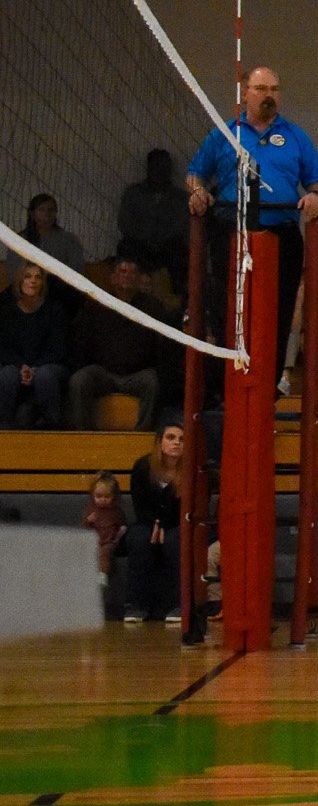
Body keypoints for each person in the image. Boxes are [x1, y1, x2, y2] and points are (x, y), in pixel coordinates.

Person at [185, 65, 318, 375]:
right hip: (231, 230)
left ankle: (270, 378)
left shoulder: (295, 136)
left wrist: (315, 197)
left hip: (281, 233)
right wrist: (198, 192)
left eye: (274, 90)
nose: (269, 96)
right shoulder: (224, 133)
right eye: (262, 89)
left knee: (279, 309)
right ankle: (226, 381)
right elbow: (195, 173)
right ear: (245, 93)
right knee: (228, 308)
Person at [68, 255, 172, 430]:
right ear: (113, 277)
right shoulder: (97, 304)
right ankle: (82, 434)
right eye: (122, 271)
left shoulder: (153, 308)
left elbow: (162, 347)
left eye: (133, 272)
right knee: (79, 379)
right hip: (103, 373)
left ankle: (142, 436)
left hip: (138, 375)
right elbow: (81, 341)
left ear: (139, 278)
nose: (127, 276)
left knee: (153, 381)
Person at [124, 422, 184, 622]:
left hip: (177, 523)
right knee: (139, 538)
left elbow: (187, 508)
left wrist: (164, 525)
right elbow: (139, 504)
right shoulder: (143, 466)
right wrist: (155, 524)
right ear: (159, 442)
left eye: (181, 439)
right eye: (171, 437)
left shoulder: (190, 470)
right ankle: (136, 605)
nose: (176, 442)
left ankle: (178, 605)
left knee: (175, 541)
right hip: (148, 520)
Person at [0, 262, 70, 428]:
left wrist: (34, 368)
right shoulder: (6, 312)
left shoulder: (55, 310)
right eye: (27, 276)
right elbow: (3, 348)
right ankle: (4, 429)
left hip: (48, 365)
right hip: (17, 366)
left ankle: (51, 427)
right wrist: (21, 366)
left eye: (37, 277)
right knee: (7, 374)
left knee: (44, 375)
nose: (33, 281)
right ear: (19, 282)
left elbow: (58, 348)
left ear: (42, 283)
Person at [117, 150, 189, 290]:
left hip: (168, 247)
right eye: (156, 166)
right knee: (125, 247)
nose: (160, 171)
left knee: (181, 253)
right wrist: (146, 238)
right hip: (140, 245)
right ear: (149, 167)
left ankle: (178, 297)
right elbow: (125, 223)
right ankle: (127, 293)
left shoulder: (179, 198)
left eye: (164, 167)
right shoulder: (133, 193)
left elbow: (182, 226)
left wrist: (161, 239)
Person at [12, 194, 86, 275]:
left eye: (51, 210)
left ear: (56, 213)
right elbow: (14, 272)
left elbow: (77, 271)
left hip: (61, 286)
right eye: (41, 210)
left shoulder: (70, 240)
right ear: (32, 213)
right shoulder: (19, 240)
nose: (46, 214)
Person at [83, 470, 126, 591]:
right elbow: (84, 527)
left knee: (104, 551)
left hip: (109, 541)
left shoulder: (116, 511)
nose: (103, 499)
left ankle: (103, 574)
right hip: (94, 540)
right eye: (98, 496)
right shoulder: (91, 510)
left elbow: (122, 526)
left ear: (114, 496)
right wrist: (88, 521)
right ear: (93, 495)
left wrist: (120, 533)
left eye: (107, 496)